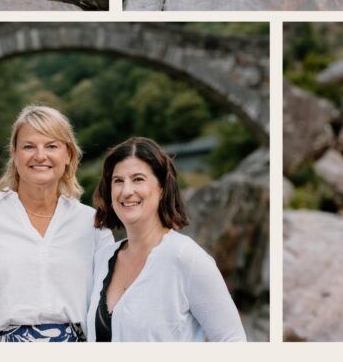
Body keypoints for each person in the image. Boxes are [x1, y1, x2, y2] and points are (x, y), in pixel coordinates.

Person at [0, 106, 109, 341]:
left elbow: (110, 303)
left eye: (51, 146)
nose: (40, 156)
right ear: (14, 154)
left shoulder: (93, 224)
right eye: (29, 146)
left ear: (68, 154)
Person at [86, 137, 246, 342]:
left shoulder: (186, 258)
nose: (126, 191)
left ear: (162, 188)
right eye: (118, 181)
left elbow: (232, 340)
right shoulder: (103, 257)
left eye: (138, 179)